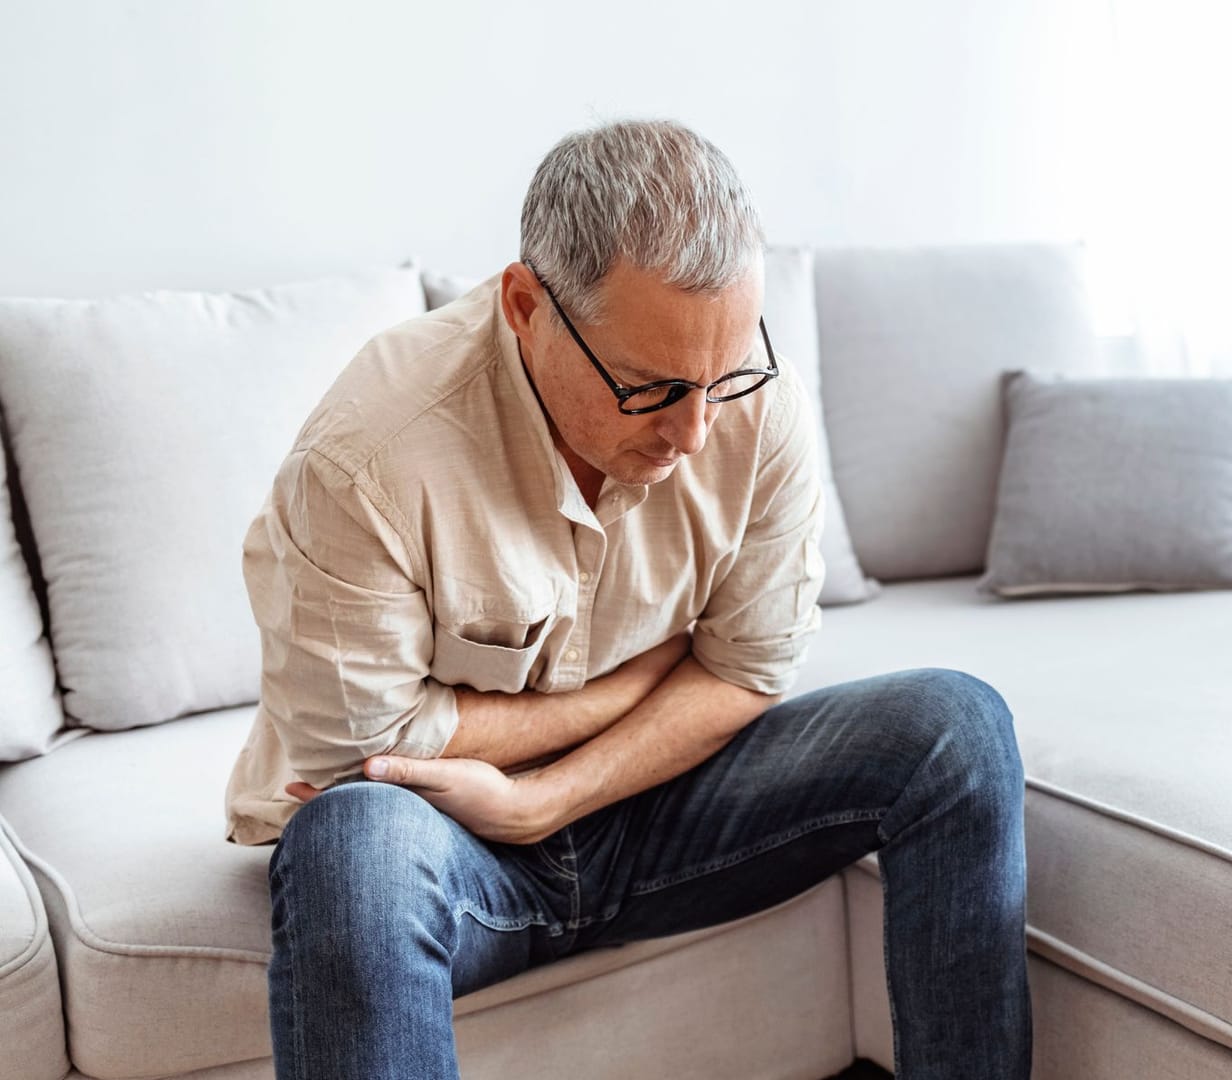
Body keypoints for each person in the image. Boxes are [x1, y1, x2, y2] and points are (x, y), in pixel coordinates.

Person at [222, 118, 1032, 1079]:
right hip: (448, 842)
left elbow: (749, 669)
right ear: (527, 305)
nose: (695, 432)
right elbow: (359, 750)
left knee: (956, 727)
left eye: (720, 378)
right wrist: (638, 682)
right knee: (348, 842)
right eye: (650, 388)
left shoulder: (755, 406)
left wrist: (544, 797)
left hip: (657, 803)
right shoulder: (367, 459)